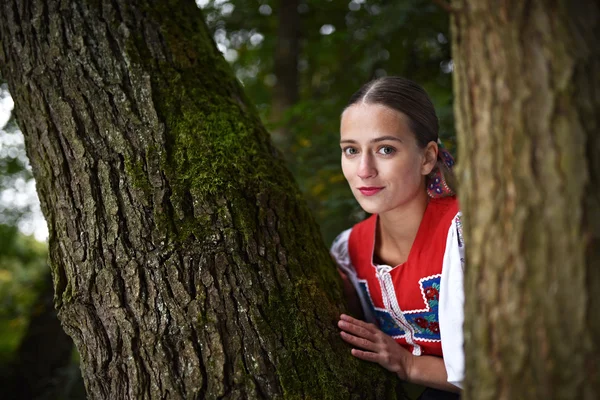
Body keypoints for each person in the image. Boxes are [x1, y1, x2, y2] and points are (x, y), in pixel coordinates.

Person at [331, 76, 464, 400]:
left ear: (427, 158)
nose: (364, 169)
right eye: (351, 150)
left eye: (385, 149)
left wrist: (408, 365)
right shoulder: (349, 250)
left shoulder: (466, 232)